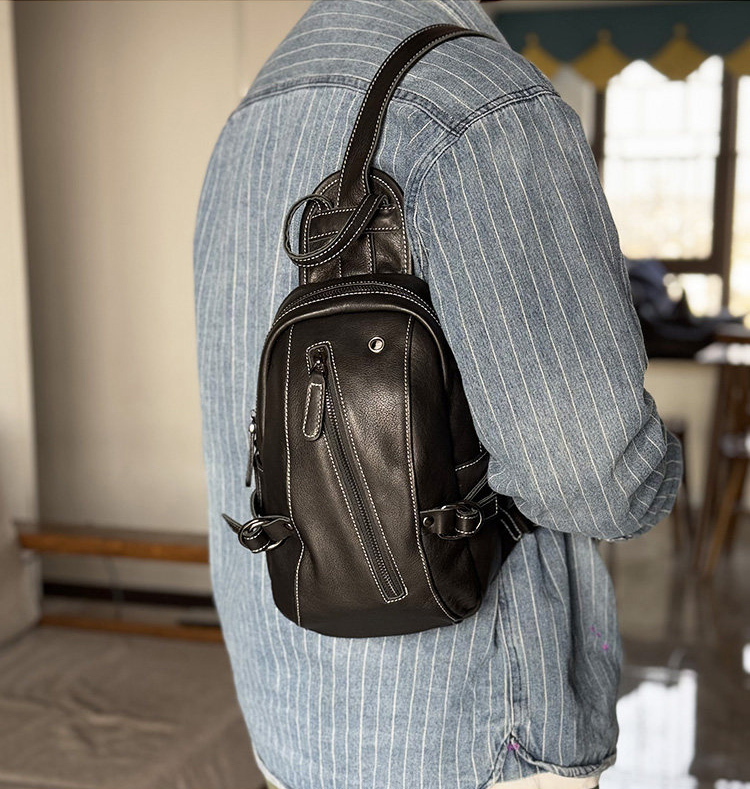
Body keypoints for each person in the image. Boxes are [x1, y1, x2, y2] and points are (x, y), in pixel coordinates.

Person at [193, 1, 682, 787]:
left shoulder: (249, 121)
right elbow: (600, 477)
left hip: (286, 711)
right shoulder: (479, 103)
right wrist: (663, 467)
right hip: (468, 734)